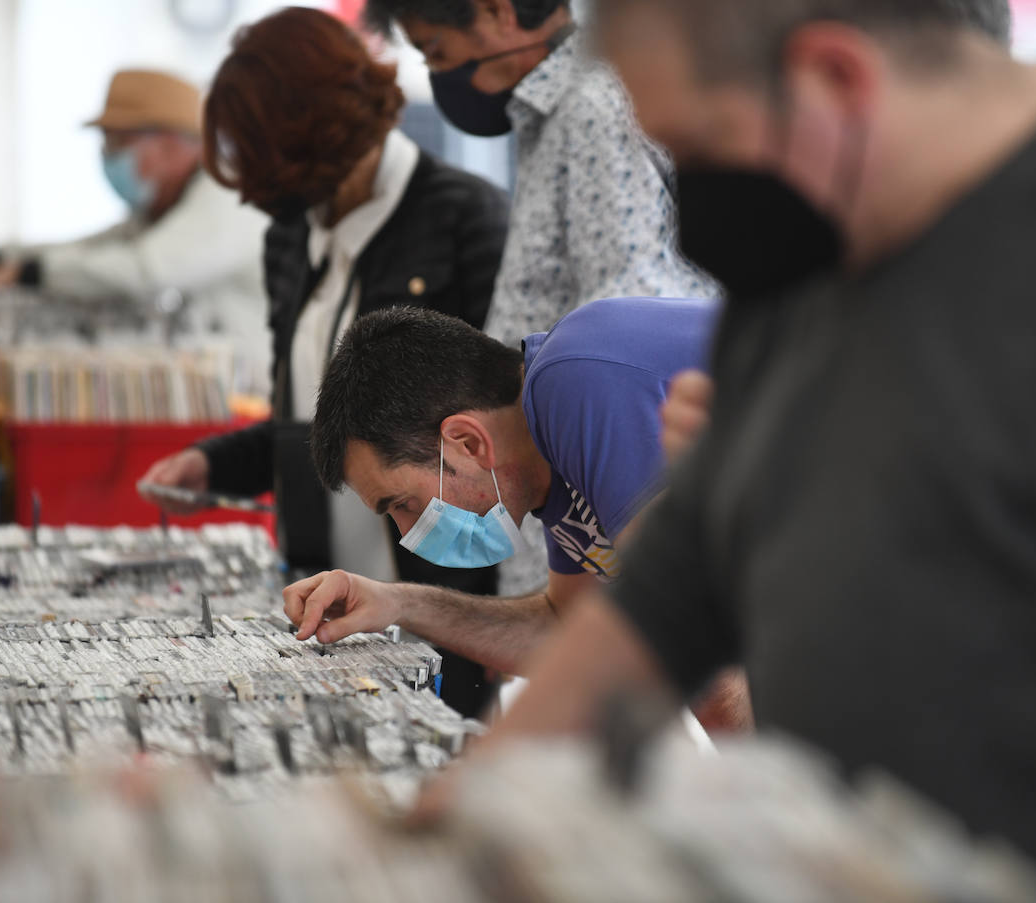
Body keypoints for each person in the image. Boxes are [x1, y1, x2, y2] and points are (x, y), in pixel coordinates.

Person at [456, 0, 1036, 903]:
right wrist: (454, 820)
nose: (690, 220)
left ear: (838, 79)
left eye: (701, 150)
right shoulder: (811, 247)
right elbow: (671, 581)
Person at [137, 8, 509, 718]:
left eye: (276, 162)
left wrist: (504, 623)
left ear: (324, 133)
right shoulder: (292, 237)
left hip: (442, 604)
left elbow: (506, 441)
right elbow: (318, 420)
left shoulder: (466, 222)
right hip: (325, 601)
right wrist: (216, 464)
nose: (266, 193)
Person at [362, 0, 720, 597]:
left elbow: (633, 290)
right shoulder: (554, 113)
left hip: (592, 463)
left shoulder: (593, 107)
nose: (440, 73)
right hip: (562, 468)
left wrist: (564, 418)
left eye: (437, 51)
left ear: (500, 13)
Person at [281, 300, 748, 731]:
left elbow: (688, 641)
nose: (406, 532)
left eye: (400, 504)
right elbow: (563, 626)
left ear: (467, 442)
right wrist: (396, 604)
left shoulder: (574, 381)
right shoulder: (549, 469)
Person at [0, 69, 272, 359]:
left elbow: (145, 268)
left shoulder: (227, 198)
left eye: (119, 143)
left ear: (172, 147)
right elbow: (88, 247)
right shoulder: (167, 206)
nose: (108, 157)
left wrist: (22, 274)